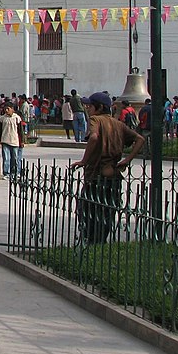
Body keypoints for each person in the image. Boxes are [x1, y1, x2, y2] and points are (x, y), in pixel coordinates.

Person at [69, 91, 146, 244]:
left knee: (87, 210)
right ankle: (100, 241)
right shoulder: (118, 124)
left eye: (90, 106)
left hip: (96, 174)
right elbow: (140, 139)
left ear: (99, 107)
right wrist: (127, 160)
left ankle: (91, 241)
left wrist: (84, 160)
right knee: (107, 211)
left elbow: (94, 137)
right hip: (113, 175)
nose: (88, 109)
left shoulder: (95, 120)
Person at [0, 103, 24, 180]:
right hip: (5, 140)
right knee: (6, 158)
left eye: (8, 109)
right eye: (5, 109)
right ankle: (6, 173)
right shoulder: (2, 118)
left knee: (14, 158)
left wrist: (22, 141)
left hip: (14, 141)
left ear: (12, 109)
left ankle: (15, 172)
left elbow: (20, 131)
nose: (6, 110)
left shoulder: (17, 118)